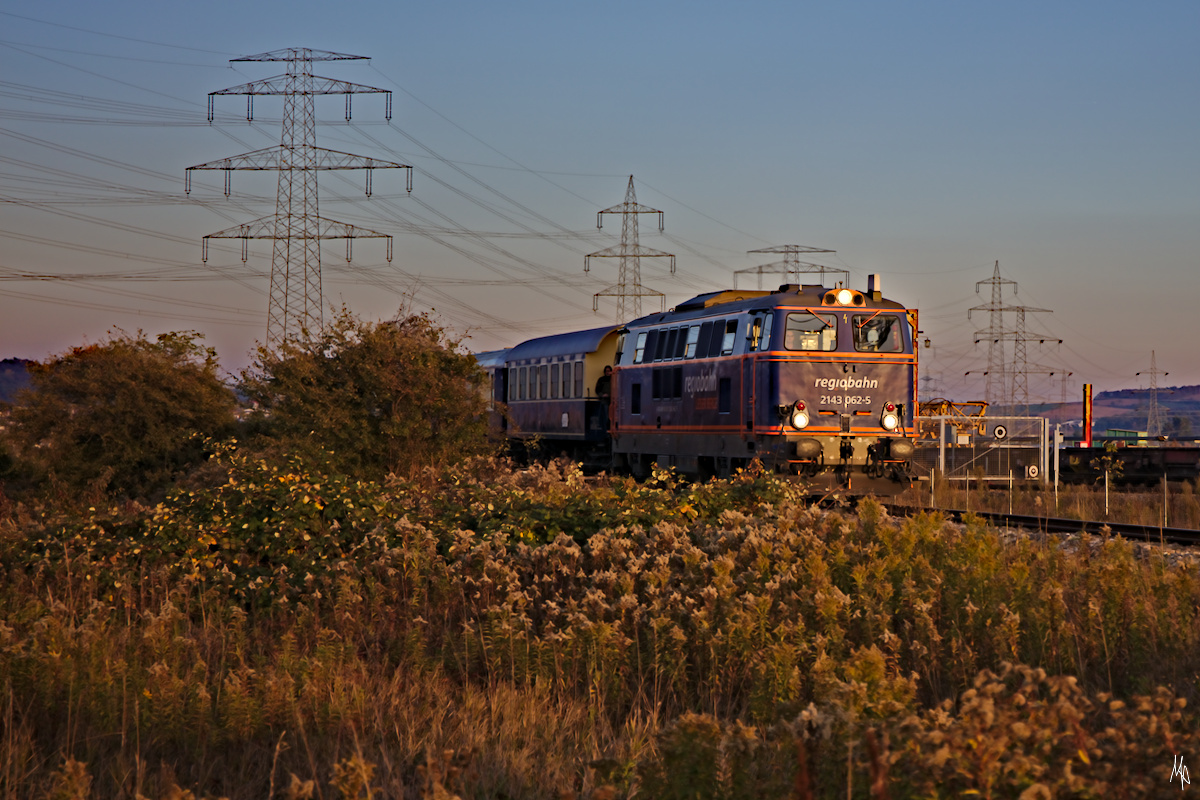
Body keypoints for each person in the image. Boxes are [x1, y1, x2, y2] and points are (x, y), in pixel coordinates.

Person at [595, 365, 613, 431]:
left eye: (609, 371)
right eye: (606, 371)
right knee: (605, 414)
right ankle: (605, 427)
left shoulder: (614, 379)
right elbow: (597, 390)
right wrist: (602, 395)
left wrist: (610, 395)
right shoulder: (601, 380)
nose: (608, 372)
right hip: (604, 400)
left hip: (613, 400)